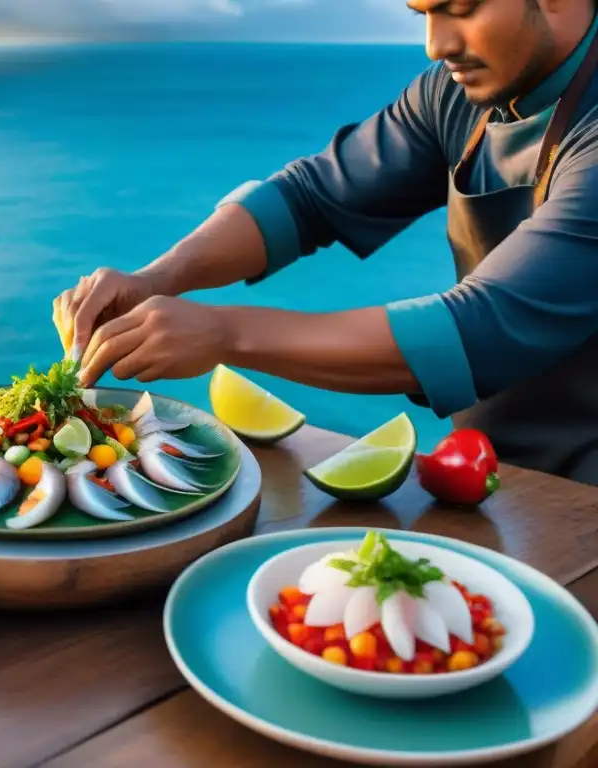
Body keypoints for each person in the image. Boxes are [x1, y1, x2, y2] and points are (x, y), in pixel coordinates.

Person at [53, 0, 598, 484]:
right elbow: (311, 196)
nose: (437, 45)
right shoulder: (459, 94)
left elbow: (480, 328)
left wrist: (224, 333)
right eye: (422, 14)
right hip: (502, 471)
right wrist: (154, 279)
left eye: (461, 8)